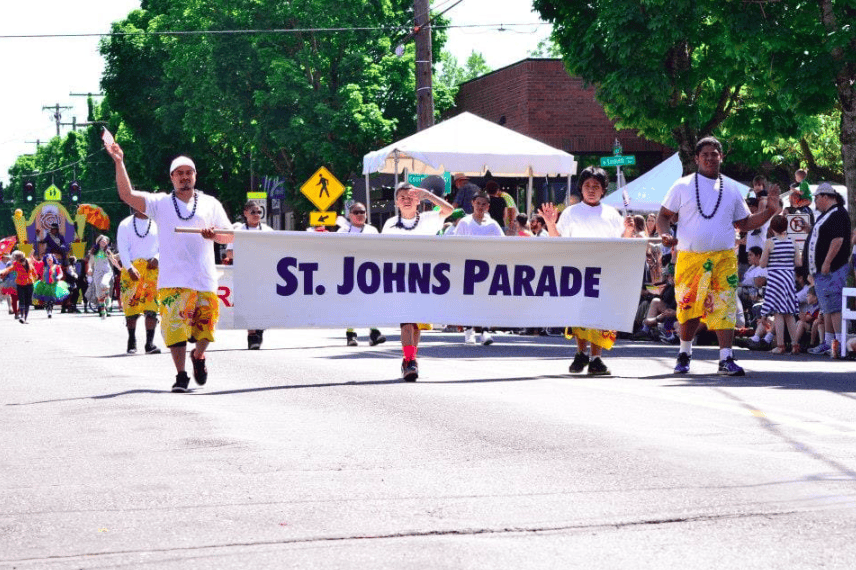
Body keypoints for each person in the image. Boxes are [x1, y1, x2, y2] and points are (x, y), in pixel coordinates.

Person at [106, 142, 233, 392]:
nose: (185, 177)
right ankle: (181, 375)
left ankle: (198, 356)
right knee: (175, 330)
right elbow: (127, 195)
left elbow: (229, 236)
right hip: (173, 281)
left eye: (189, 173)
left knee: (205, 332)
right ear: (172, 178)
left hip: (205, 279)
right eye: (179, 173)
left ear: (195, 176)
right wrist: (119, 161)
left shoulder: (210, 204)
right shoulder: (160, 203)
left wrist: (214, 235)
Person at [657, 136, 779, 376]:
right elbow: (663, 215)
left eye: (715, 154)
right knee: (689, 308)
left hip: (724, 259)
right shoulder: (682, 185)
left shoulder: (732, 188)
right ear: (696, 159)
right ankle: (684, 354)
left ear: (721, 157)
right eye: (705, 155)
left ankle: (726, 358)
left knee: (725, 307)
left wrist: (770, 212)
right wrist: (663, 235)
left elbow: (744, 223)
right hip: (691, 258)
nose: (710, 158)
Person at [540, 166, 635, 376]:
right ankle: (580, 352)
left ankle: (596, 358)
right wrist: (549, 223)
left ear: (603, 190)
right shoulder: (571, 213)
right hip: (577, 271)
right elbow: (557, 240)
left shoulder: (612, 214)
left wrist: (628, 231)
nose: (591, 190)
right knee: (579, 314)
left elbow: (623, 244)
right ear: (580, 189)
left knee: (601, 315)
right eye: (587, 186)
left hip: (605, 272)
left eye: (596, 186)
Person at [382, 182, 454, 381]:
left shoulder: (430, 219)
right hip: (399, 279)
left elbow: (449, 210)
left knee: (417, 325)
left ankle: (410, 359)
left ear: (418, 201)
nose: (406, 200)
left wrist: (428, 195)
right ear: (396, 202)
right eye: (402, 197)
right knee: (406, 320)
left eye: (411, 197)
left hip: (424, 278)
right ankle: (410, 361)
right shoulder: (390, 224)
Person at [803, 183, 851, 358]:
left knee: (835, 307)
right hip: (822, 272)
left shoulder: (837, 214)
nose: (815, 201)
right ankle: (829, 342)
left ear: (825, 196)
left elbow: (837, 240)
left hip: (833, 269)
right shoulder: (826, 215)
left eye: (816, 198)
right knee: (828, 308)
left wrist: (827, 262)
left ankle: (838, 343)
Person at [454, 191, 504, 346]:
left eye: (484, 204)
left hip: (487, 267)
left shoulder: (492, 224)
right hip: (468, 266)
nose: (480, 206)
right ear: (473, 203)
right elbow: (455, 243)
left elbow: (503, 243)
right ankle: (469, 331)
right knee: (468, 299)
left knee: (486, 299)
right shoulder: (464, 222)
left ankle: (485, 331)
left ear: (488, 206)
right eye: (478, 203)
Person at [337, 202, 386, 347]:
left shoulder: (372, 230)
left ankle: (374, 332)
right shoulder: (343, 232)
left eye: (362, 212)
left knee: (370, 301)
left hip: (369, 271)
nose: (360, 215)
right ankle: (351, 334)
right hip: (349, 271)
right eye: (356, 212)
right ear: (350, 215)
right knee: (352, 302)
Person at [227, 201, 273, 349]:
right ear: (245, 213)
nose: (256, 215)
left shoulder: (267, 230)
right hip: (245, 273)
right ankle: (252, 335)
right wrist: (248, 252)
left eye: (259, 212)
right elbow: (229, 253)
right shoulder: (238, 231)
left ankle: (259, 328)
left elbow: (275, 249)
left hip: (263, 273)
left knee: (262, 303)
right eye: (253, 212)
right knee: (247, 303)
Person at [117, 207, 162, 355]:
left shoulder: (158, 223)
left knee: (152, 308)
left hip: (152, 271)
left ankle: (149, 344)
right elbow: (122, 249)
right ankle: (132, 341)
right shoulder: (125, 224)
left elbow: (165, 244)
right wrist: (129, 268)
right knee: (132, 309)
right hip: (132, 271)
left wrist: (157, 258)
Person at [759, 214, 801, 354]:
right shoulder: (792, 241)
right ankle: (795, 344)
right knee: (789, 312)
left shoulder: (770, 242)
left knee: (778, 312)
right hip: (789, 278)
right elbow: (798, 263)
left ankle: (781, 345)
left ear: (772, 227)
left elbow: (763, 264)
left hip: (776, 278)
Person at [0, 250, 36, 323]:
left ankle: (25, 318)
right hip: (20, 284)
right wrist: (2, 272)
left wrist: (35, 275)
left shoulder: (28, 261)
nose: (15, 260)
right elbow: (9, 269)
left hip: (29, 284)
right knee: (22, 300)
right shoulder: (16, 264)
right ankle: (22, 317)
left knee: (27, 302)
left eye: (16, 258)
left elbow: (33, 270)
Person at [87, 235, 116, 319]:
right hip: (97, 273)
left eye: (106, 241)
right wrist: (89, 268)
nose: (104, 242)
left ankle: (108, 301)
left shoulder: (107, 251)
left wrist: (120, 267)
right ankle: (103, 312)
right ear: (99, 242)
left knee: (104, 285)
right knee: (99, 294)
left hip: (106, 272)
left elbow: (114, 260)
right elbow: (90, 262)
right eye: (103, 241)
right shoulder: (94, 252)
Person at [32, 253, 70, 319]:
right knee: (47, 299)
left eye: (50, 259)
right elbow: (36, 266)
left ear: (53, 260)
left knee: (52, 299)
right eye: (48, 259)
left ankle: (50, 311)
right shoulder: (43, 267)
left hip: (54, 285)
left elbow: (60, 273)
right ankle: (48, 311)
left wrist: (59, 277)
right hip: (44, 285)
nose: (49, 261)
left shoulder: (57, 266)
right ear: (45, 260)